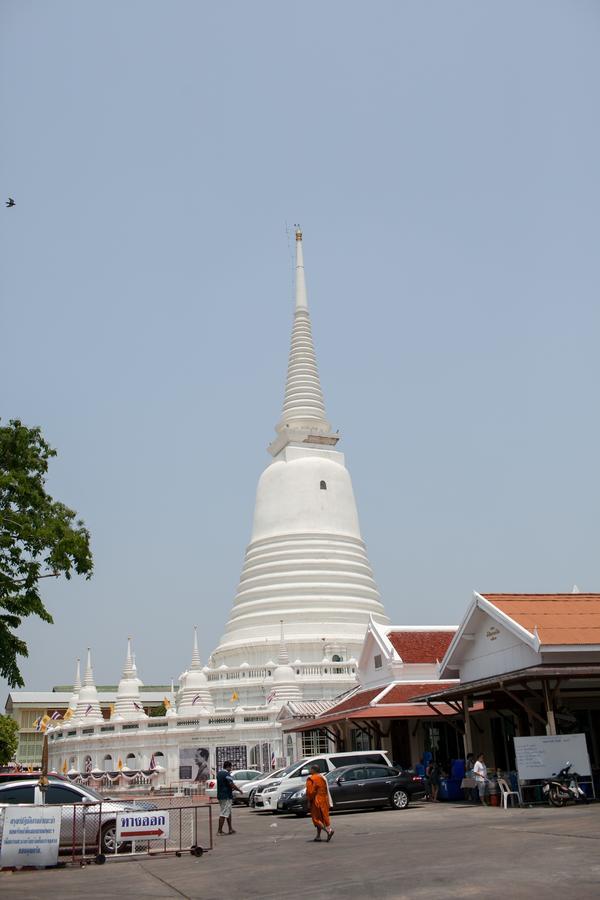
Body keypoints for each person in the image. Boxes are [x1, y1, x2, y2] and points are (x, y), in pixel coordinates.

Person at [305, 764, 334, 842]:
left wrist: (308, 801)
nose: (310, 771)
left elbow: (310, 792)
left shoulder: (311, 778)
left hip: (316, 800)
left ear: (314, 770)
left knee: (316, 819)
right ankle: (318, 836)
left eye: (311, 769)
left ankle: (329, 831)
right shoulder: (323, 777)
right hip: (324, 799)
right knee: (321, 818)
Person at [216, 761, 242, 834]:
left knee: (228, 812)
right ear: (228, 767)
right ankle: (219, 831)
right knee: (224, 813)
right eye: (230, 767)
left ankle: (230, 829)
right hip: (226, 796)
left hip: (221, 795)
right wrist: (239, 790)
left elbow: (224, 784)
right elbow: (231, 784)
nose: (231, 769)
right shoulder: (226, 774)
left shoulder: (219, 773)